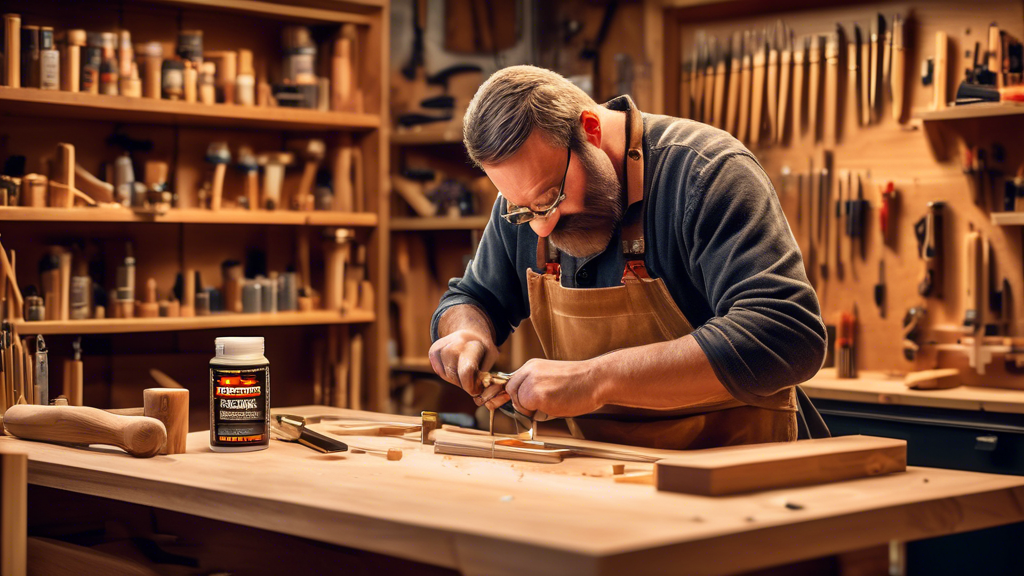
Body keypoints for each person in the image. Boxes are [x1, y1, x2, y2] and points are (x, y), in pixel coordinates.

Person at [427, 65, 826, 449]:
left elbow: (786, 334)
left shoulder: (707, 173)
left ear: (591, 129)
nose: (541, 228)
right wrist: (467, 333)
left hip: (742, 469)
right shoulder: (527, 200)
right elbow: (472, 298)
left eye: (551, 199)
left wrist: (595, 380)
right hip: (609, 475)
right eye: (523, 211)